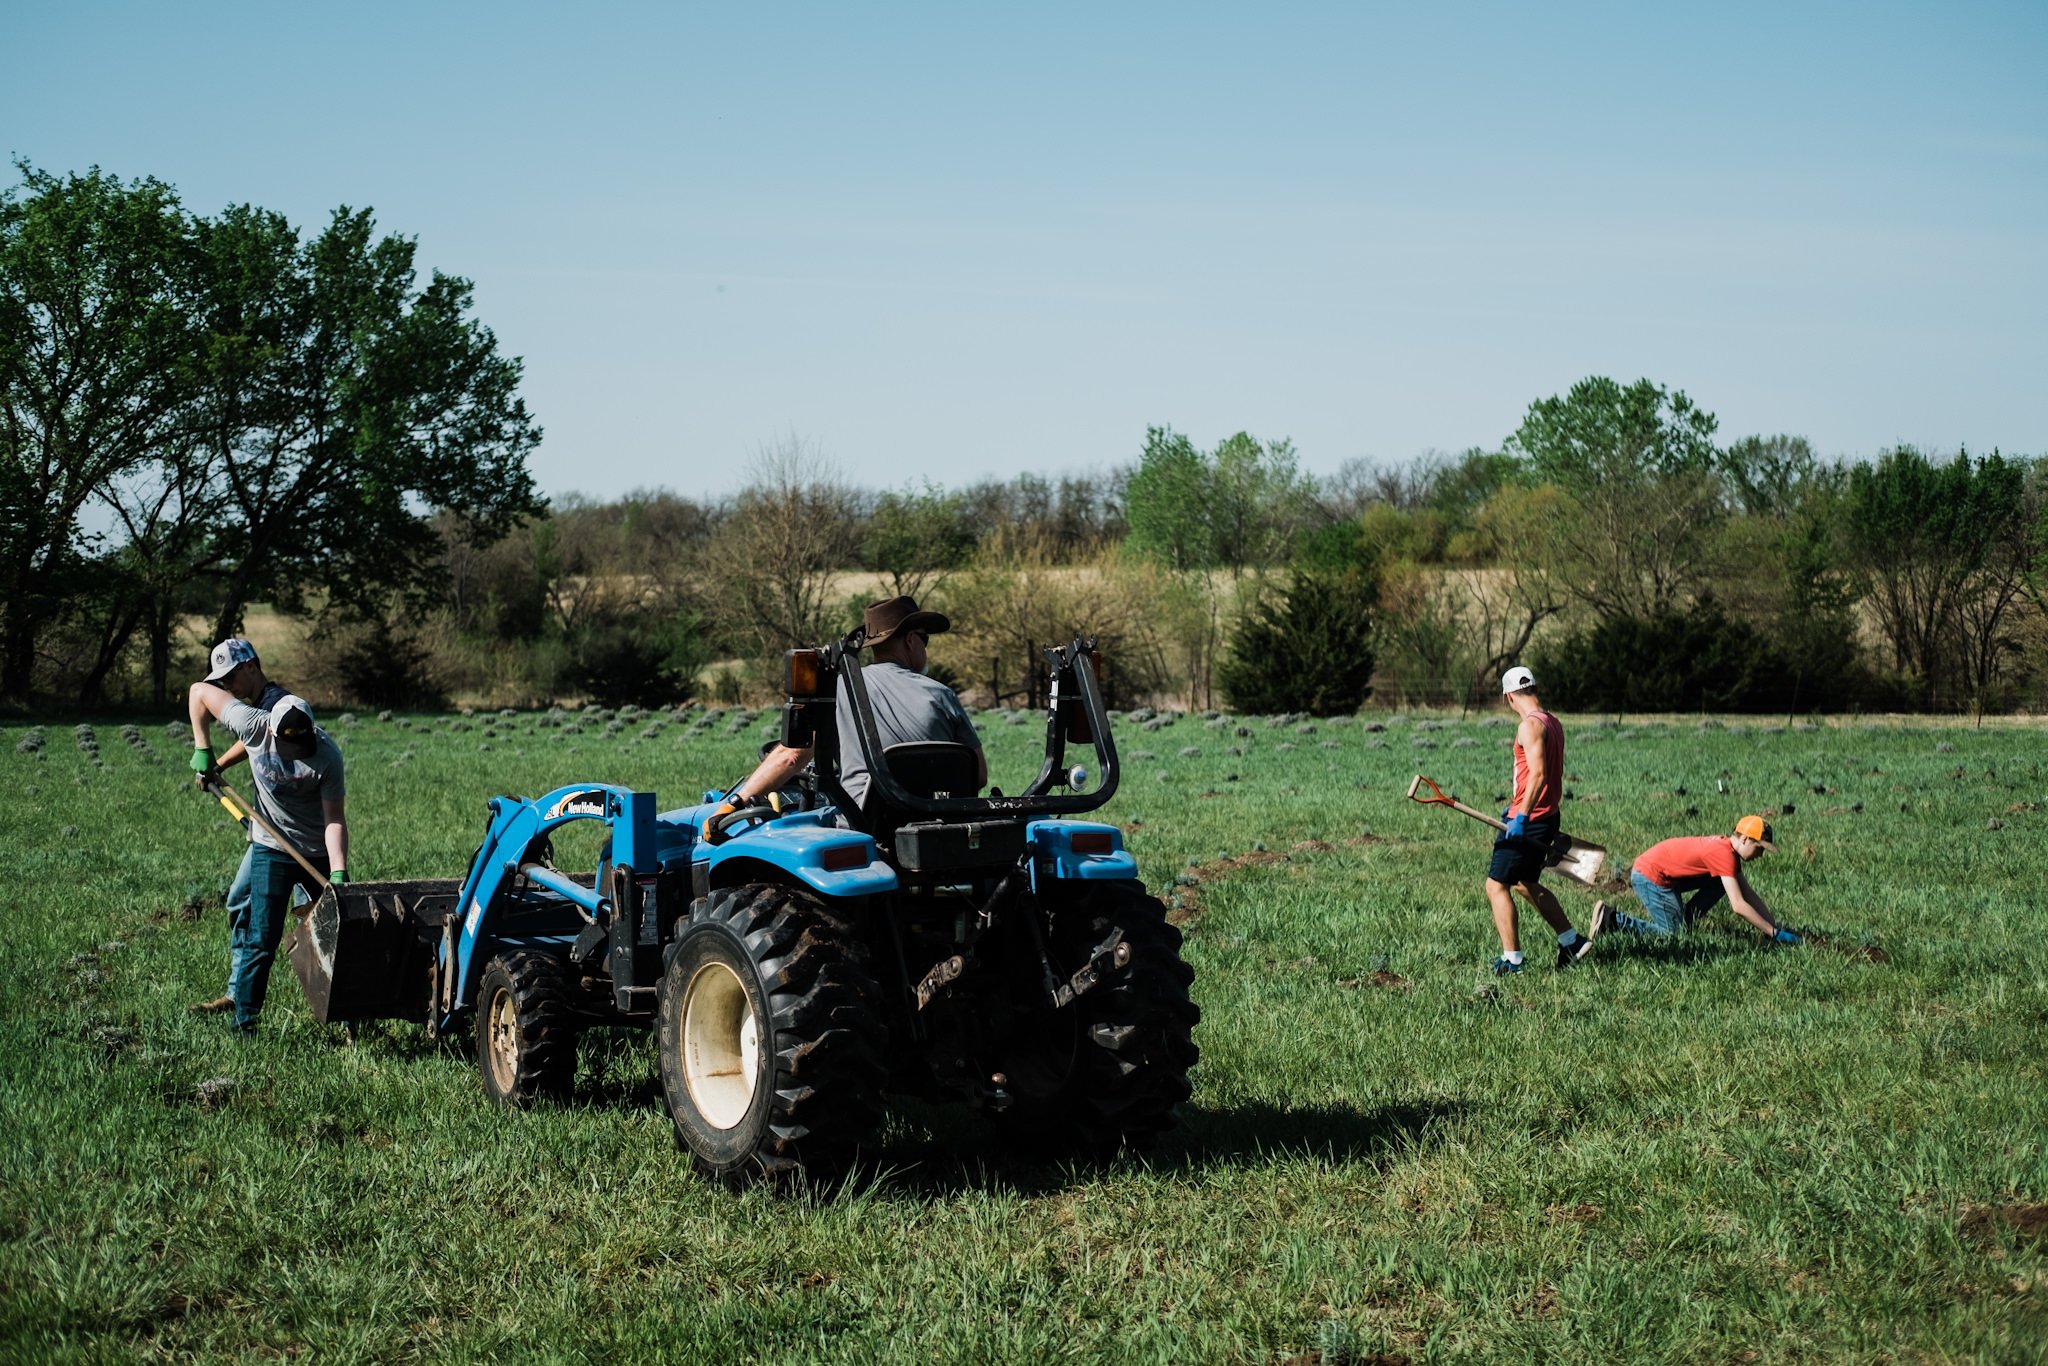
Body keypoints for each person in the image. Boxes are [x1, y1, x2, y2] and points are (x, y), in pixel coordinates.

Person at [187, 652, 349, 1035]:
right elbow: (198, 691)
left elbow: (334, 820)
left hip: (315, 850)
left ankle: (348, 1015)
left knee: (334, 935)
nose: (298, 756)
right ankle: (244, 1022)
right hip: (270, 846)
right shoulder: (253, 723)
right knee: (262, 936)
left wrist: (339, 871)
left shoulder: (327, 755)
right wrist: (205, 752)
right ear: (271, 731)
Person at [724, 595, 985, 813]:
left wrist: (733, 804)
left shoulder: (839, 689)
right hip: (938, 825)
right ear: (910, 641)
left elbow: (791, 757)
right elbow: (978, 775)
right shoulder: (942, 694)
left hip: (865, 826)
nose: (925, 649)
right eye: (924, 640)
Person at [1486, 665, 1594, 975]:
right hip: (1547, 814)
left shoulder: (1529, 727)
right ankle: (1571, 942)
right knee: (1524, 883)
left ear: (1509, 697)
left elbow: (1538, 775)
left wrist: (1519, 817)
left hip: (1530, 816)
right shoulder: (1553, 722)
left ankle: (1512, 960)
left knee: (1495, 886)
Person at [1597, 815, 1801, 944]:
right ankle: (1611, 920)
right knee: (1672, 936)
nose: (1760, 855)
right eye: (1759, 848)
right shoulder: (1724, 854)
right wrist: (1773, 933)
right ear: (1745, 839)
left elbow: (1747, 893)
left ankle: (1685, 921)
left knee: (1723, 884)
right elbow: (1738, 905)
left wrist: (1772, 926)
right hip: (1650, 876)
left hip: (1661, 875)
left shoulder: (1727, 852)